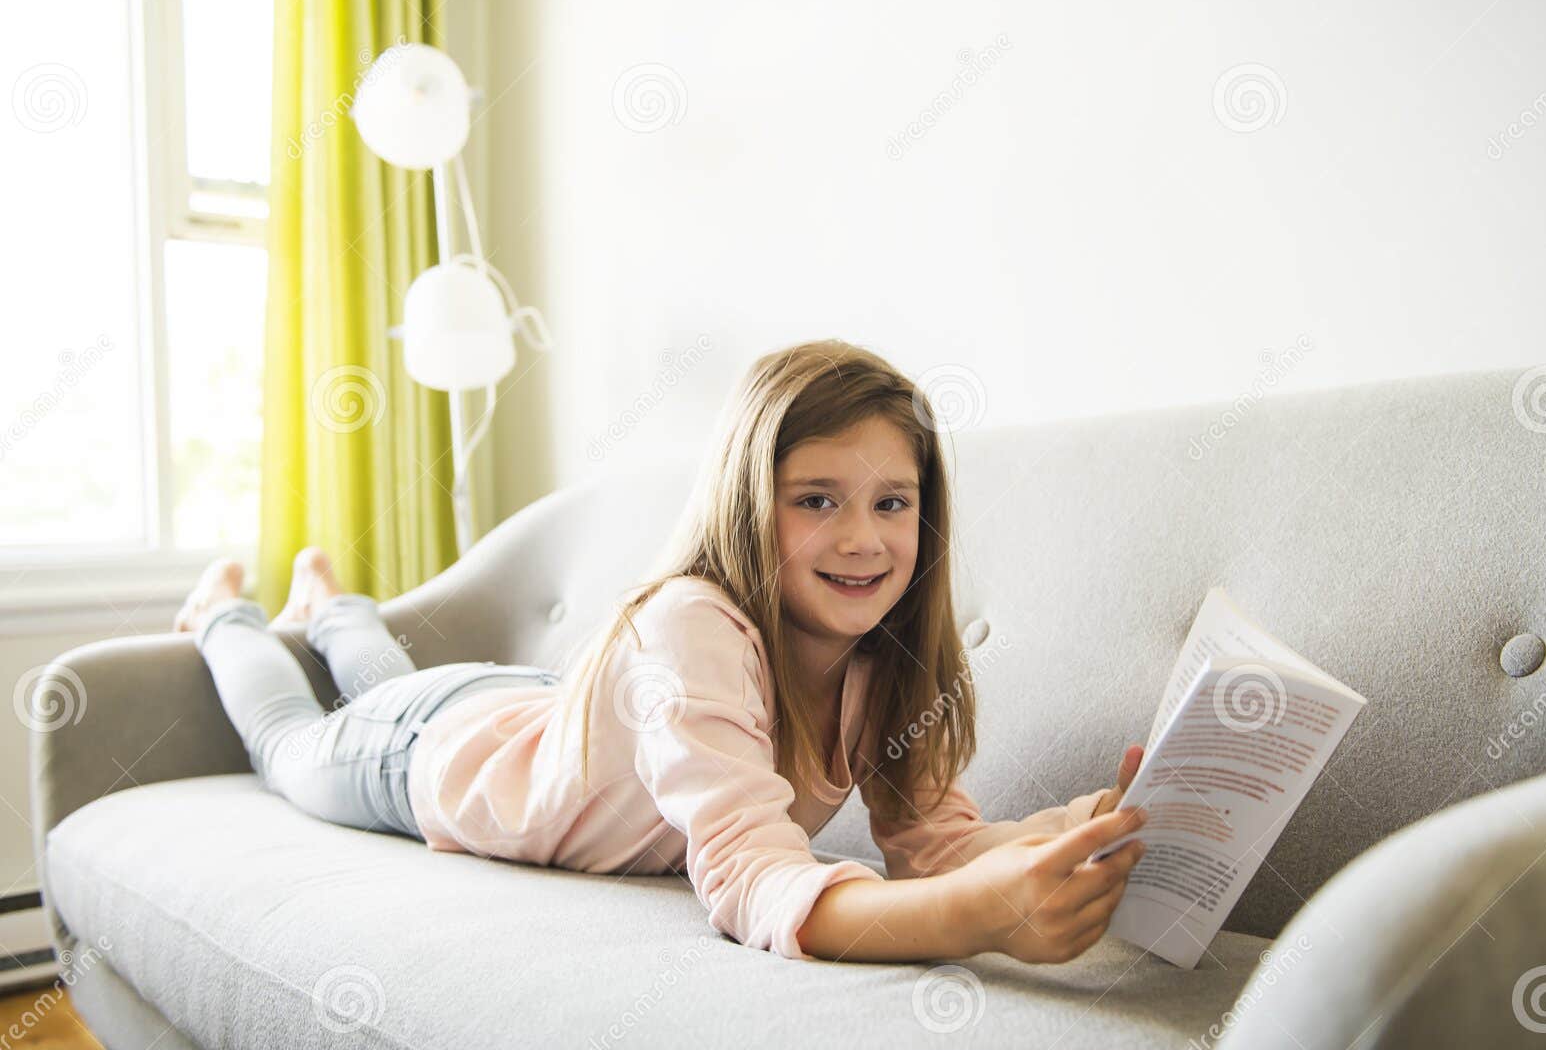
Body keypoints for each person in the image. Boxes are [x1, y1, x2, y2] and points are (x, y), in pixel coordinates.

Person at [175, 339, 1147, 964]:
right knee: (292, 734)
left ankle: (335, 604)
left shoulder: (884, 660)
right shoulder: (691, 621)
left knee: (385, 676)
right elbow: (750, 879)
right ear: (744, 500)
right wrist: (976, 917)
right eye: (816, 499)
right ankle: (227, 612)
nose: (864, 538)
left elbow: (935, 845)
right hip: (426, 752)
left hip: (531, 707)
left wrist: (1057, 837)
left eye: (891, 502)